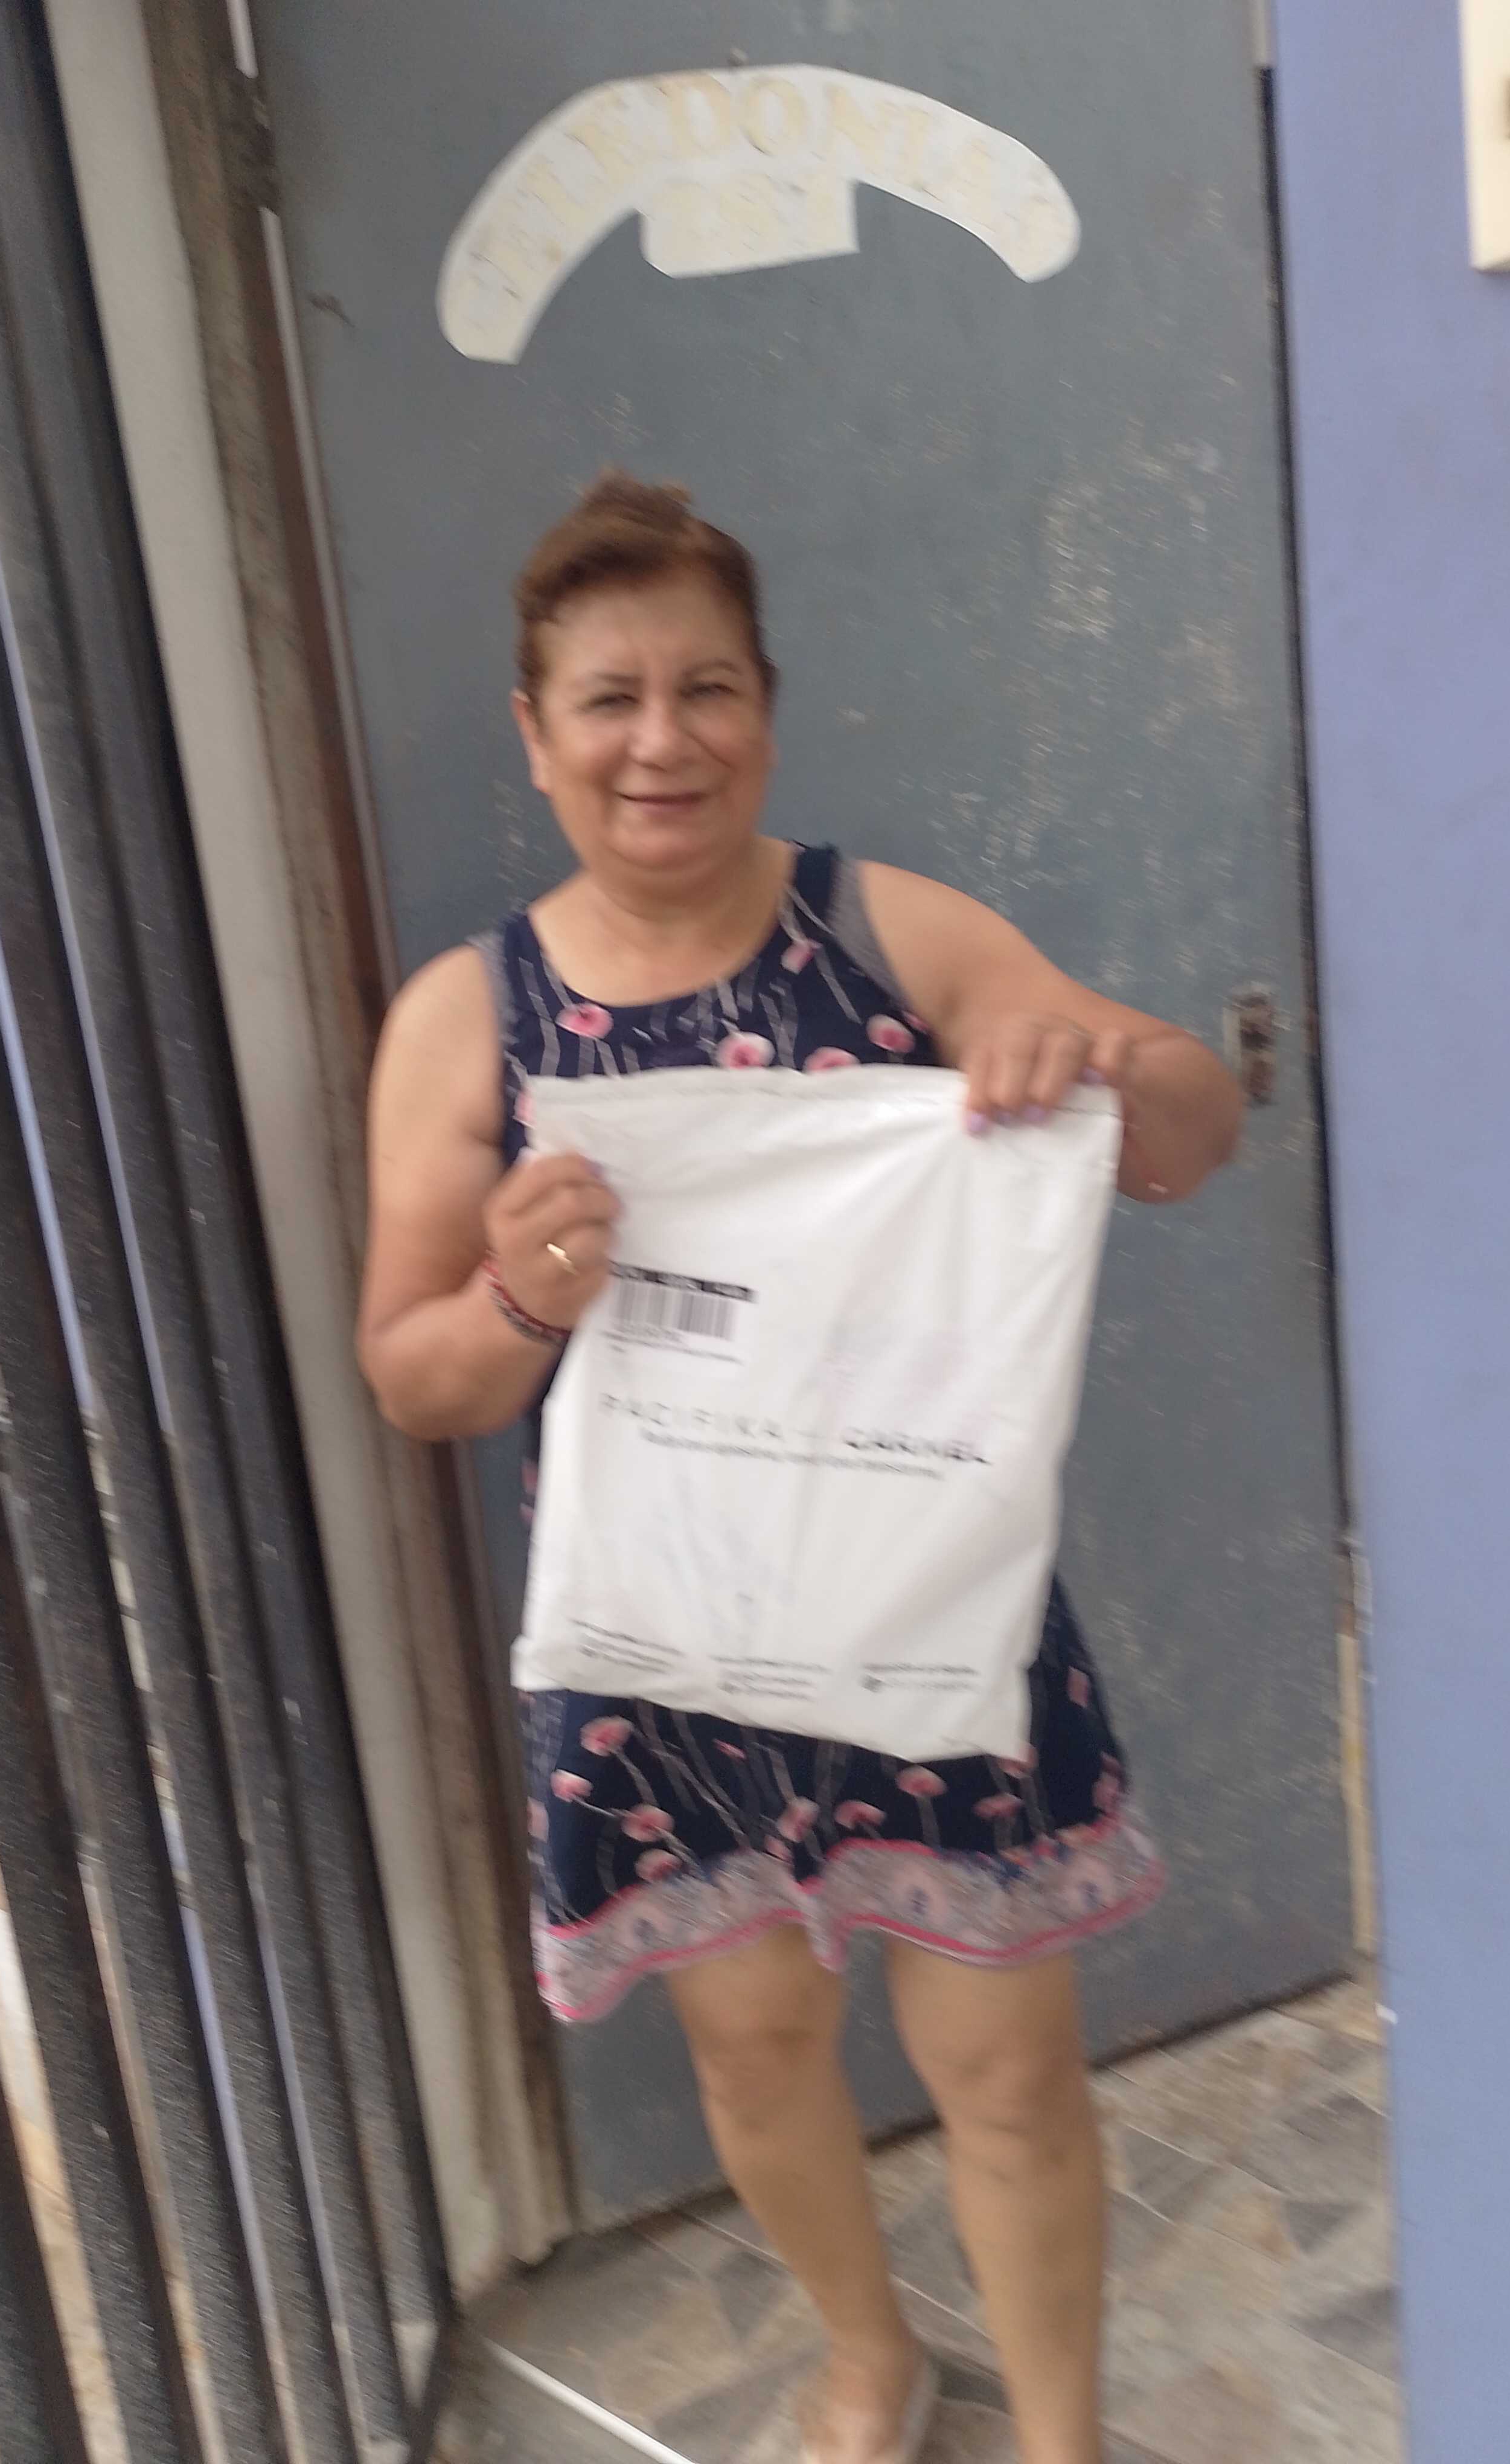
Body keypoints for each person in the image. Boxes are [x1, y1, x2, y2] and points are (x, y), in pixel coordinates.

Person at [360, 473, 1242, 2464]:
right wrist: (513, 1297)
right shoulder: (472, 1019)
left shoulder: (886, 929)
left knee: (1003, 2064)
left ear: (766, 707)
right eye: (608, 699)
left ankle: (1063, 2440)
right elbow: (414, 1377)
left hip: (924, 1598)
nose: (659, 741)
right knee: (757, 2053)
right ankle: (870, 2361)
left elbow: (1191, 1136)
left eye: (707, 689)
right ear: (535, 732)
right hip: (666, 1635)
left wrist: (1100, 1060)